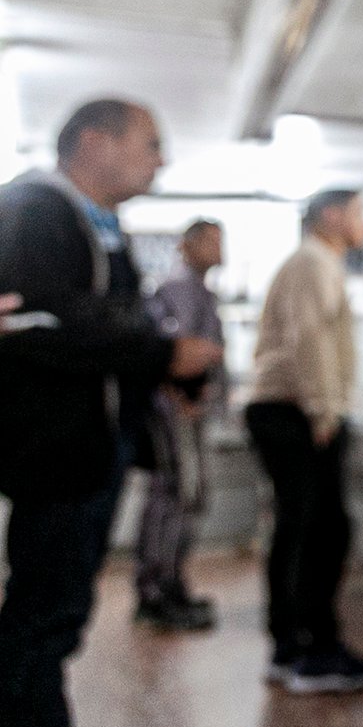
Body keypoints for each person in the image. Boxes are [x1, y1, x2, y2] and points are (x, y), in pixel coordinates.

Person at [0, 99, 222, 727]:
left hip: (92, 450)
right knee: (39, 623)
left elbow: (98, 319)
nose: (160, 159)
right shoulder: (36, 209)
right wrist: (160, 353)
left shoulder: (100, 224)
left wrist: (163, 369)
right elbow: (36, 321)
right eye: (150, 143)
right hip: (55, 453)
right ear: (94, 142)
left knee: (56, 622)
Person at [246, 188, 363, 694]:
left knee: (303, 528)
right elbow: (309, 337)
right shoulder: (313, 262)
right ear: (331, 215)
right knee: (318, 532)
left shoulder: (317, 262)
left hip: (293, 409)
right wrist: (324, 409)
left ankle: (293, 645)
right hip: (296, 412)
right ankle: (311, 651)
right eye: (359, 211)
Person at [134, 218, 227, 631]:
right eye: (211, 241)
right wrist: (181, 396)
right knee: (170, 495)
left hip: (189, 412)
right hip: (174, 413)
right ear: (187, 245)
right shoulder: (176, 289)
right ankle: (156, 591)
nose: (220, 250)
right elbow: (170, 351)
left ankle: (170, 583)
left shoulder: (199, 291)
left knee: (184, 498)